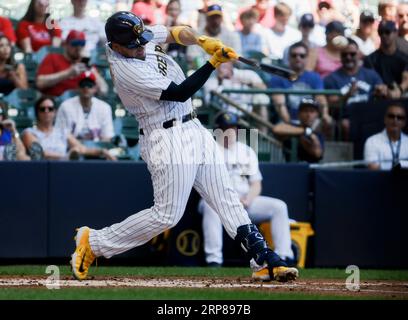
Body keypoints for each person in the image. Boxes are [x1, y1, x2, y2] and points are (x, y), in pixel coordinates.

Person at [70, 11, 298, 282]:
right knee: (166, 215)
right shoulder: (124, 68)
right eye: (133, 45)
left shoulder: (137, 36)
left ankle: (261, 258)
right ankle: (94, 242)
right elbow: (179, 93)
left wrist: (202, 40)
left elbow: (176, 32)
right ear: (115, 46)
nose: (141, 46)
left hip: (193, 127)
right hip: (164, 136)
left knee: (226, 198)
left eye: (142, 40)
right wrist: (212, 62)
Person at [199, 112, 295, 267]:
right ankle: (214, 259)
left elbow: (256, 183)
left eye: (233, 128)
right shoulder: (209, 149)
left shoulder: (246, 151)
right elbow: (204, 182)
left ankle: (285, 256)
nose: (230, 132)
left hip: (244, 200)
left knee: (279, 206)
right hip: (216, 200)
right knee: (211, 207)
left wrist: (248, 199)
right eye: (225, 128)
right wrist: (227, 200)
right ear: (217, 130)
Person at [324, 38, 387, 140]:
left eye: (352, 54)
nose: (348, 57)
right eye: (345, 54)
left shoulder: (371, 75)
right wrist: (346, 96)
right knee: (346, 125)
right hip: (346, 118)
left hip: (369, 115)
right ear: (340, 56)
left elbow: (383, 90)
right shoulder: (331, 78)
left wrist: (381, 91)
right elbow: (330, 103)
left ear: (358, 54)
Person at [22, 96, 116, 161]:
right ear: (37, 112)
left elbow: (82, 149)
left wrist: (102, 151)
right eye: (42, 109)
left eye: (50, 109)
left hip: (63, 170)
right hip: (39, 170)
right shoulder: (29, 133)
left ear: (55, 112)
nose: (46, 111)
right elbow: (40, 153)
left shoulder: (63, 132)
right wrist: (67, 157)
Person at [269, 41, 331, 130]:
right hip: (287, 122)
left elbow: (320, 98)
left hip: (311, 121)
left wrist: (325, 115)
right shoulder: (278, 78)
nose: (298, 58)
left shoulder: (315, 77)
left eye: (302, 56)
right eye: (294, 55)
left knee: (328, 123)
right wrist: (291, 124)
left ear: (307, 58)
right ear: (289, 58)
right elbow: (280, 104)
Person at [36, 30, 107, 97]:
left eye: (82, 44)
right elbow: (40, 83)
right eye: (75, 43)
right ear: (66, 44)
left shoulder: (86, 64)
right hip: (55, 102)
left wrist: (89, 65)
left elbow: (103, 90)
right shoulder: (53, 57)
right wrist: (68, 73)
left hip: (80, 103)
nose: (78, 47)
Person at [55, 71, 114, 142]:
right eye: (83, 84)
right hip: (71, 149)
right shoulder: (65, 106)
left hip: (97, 148)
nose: (86, 88)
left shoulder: (105, 108)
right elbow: (60, 134)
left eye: (89, 85)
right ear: (77, 87)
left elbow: (107, 136)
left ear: (95, 88)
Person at [186, 4, 241, 68]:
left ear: (222, 18)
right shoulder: (197, 35)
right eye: (212, 17)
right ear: (207, 18)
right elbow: (192, 57)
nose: (215, 21)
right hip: (204, 71)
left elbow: (238, 57)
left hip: (229, 71)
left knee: (251, 76)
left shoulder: (231, 35)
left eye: (218, 17)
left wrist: (226, 64)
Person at [364, 20, 408, 99]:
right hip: (377, 98)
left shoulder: (404, 59)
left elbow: (406, 79)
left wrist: (399, 90)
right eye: (381, 32)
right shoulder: (370, 59)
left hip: (399, 98)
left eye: (387, 32)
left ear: (395, 33)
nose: (384, 35)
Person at [273, 99, 325, 163]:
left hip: (310, 170)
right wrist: (305, 131)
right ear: (299, 113)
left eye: (312, 111)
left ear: (317, 114)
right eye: (305, 111)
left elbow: (317, 154)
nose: (308, 115)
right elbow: (277, 129)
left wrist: (312, 137)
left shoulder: (318, 133)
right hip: (289, 168)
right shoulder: (293, 127)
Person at [364, 103, 408, 170]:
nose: (395, 120)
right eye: (391, 116)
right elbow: (374, 170)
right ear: (385, 119)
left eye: (399, 117)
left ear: (404, 122)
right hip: (380, 180)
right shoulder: (372, 141)